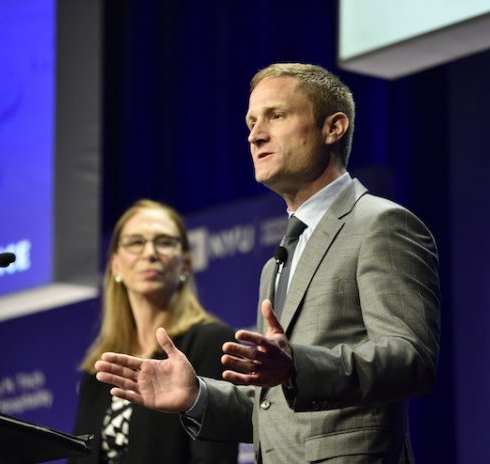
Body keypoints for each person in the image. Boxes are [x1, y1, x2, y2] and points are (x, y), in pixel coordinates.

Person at [94, 63, 441, 463]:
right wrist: (197, 396)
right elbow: (273, 409)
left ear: (334, 127)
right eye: (251, 122)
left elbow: (410, 359)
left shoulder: (380, 224)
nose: (255, 135)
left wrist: (297, 366)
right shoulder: (278, 260)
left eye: (276, 116)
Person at [70, 199, 239, 464]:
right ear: (115, 265)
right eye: (135, 242)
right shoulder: (98, 370)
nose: (149, 253)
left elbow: (213, 456)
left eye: (164, 242)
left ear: (185, 264)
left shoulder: (208, 342)